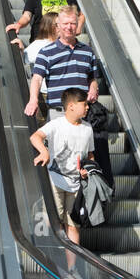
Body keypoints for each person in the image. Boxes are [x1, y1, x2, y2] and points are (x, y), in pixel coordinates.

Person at [30, 88, 95, 246]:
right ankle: (50, 256)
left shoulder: (87, 129)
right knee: (52, 221)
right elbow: (35, 136)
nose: (88, 107)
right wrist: (44, 151)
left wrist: (88, 168)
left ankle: (72, 268)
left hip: (76, 185)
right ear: (71, 106)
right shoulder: (57, 124)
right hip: (55, 181)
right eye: (84, 104)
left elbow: (90, 154)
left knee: (73, 226)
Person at [25, 6, 100, 122]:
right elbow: (37, 79)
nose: (69, 27)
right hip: (58, 113)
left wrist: (93, 89)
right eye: (65, 23)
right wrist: (33, 100)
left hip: (84, 113)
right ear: (58, 26)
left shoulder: (88, 51)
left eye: (73, 23)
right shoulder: (46, 52)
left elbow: (92, 78)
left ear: (77, 25)